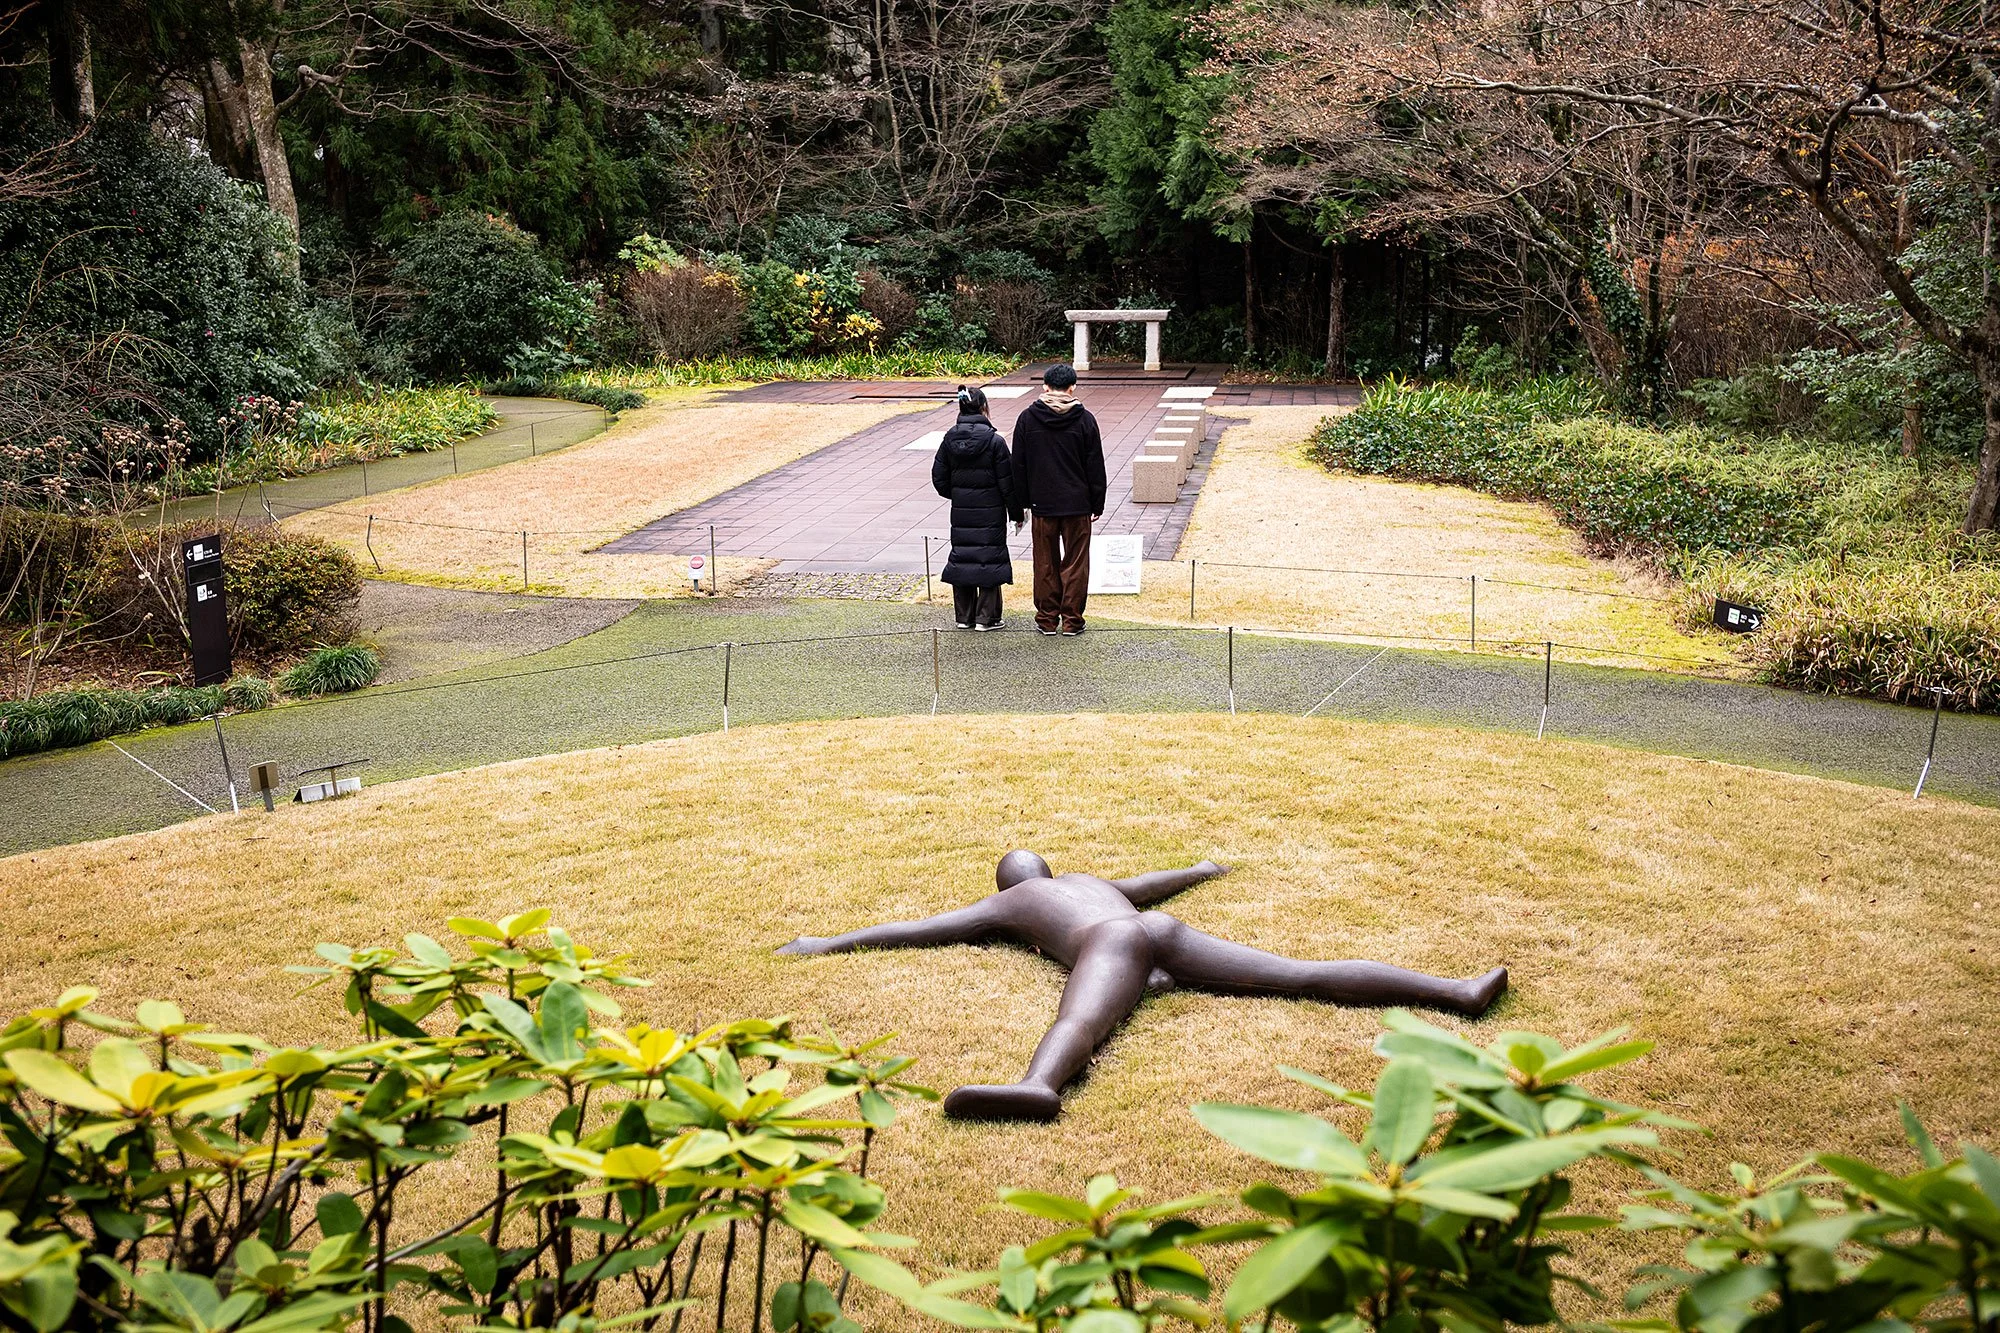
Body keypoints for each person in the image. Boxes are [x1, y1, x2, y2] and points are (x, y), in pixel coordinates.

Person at [777, 850, 1508, 1121]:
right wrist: (1201, 869)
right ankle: (1456, 989)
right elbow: (1151, 883)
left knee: (1082, 1021)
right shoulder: (1086, 880)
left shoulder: (1012, 904)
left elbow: (922, 927)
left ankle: (1040, 1084)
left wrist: (826, 940)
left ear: (1009, 885)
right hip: (1155, 933)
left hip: (1118, 942)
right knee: (1299, 973)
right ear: (1047, 867)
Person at [1009, 364, 1105, 636]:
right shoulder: (1085, 419)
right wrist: (1097, 503)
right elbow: (1095, 465)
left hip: (1042, 504)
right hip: (1078, 504)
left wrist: (1023, 502)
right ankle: (1072, 620)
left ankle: (1047, 619)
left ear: (1045, 387)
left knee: (1045, 562)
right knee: (1076, 563)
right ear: (1072, 387)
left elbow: (1019, 465)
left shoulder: (1027, 419)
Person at [931, 385, 1017, 630]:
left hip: (961, 511)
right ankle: (986, 617)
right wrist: (1015, 513)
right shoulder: (994, 442)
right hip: (991, 511)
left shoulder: (949, 439)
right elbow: (1008, 484)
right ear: (983, 407)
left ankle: (964, 617)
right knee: (988, 558)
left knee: (964, 556)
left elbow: (939, 477)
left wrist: (958, 494)